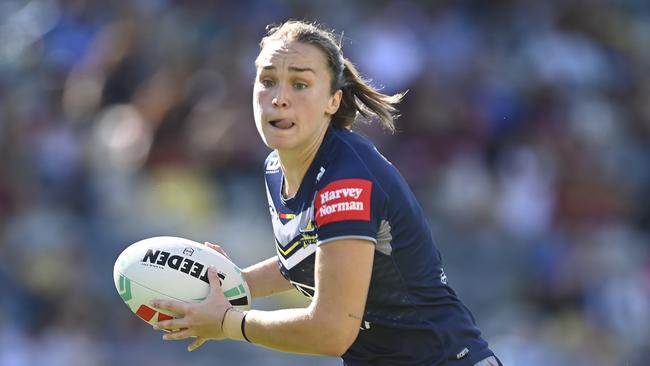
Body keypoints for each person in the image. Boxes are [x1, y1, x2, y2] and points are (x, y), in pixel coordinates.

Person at [152, 20, 502, 366]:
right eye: (268, 81)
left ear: (333, 101)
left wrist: (228, 323)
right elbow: (307, 257)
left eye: (300, 84)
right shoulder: (277, 167)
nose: (279, 99)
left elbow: (331, 331)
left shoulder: (345, 180)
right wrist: (231, 284)